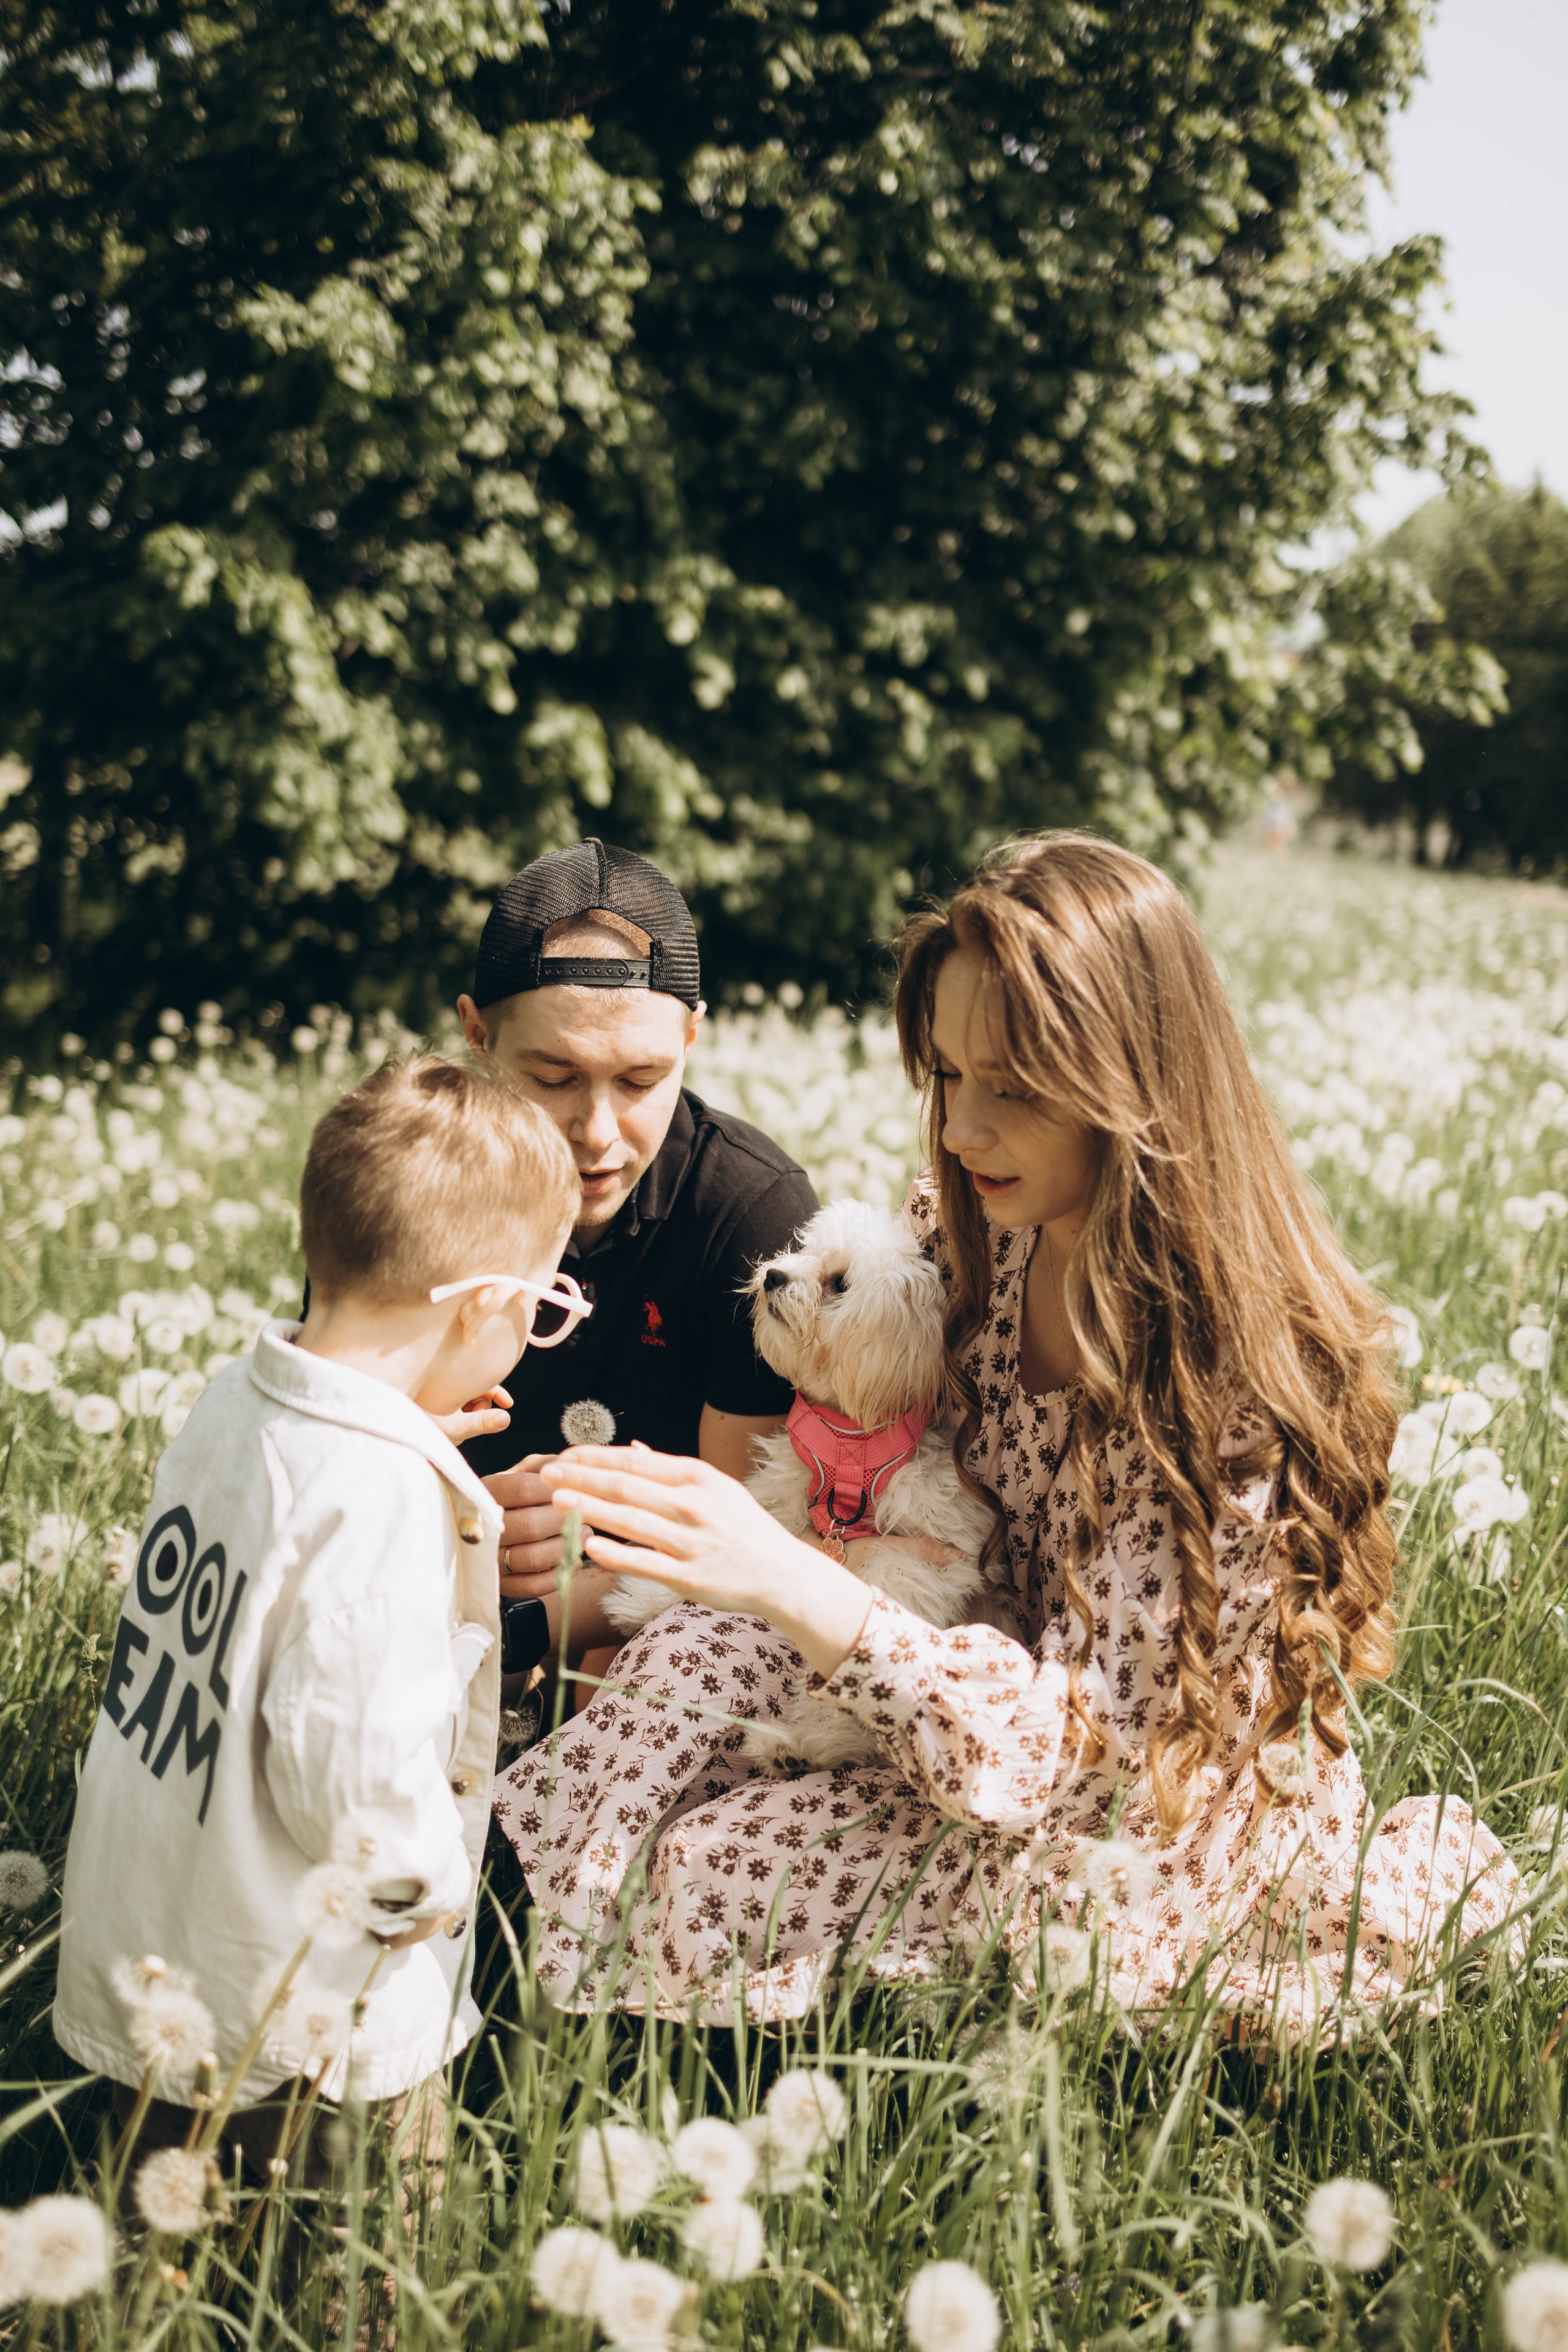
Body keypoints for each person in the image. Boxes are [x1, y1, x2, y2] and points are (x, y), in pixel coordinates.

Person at [492, 833, 1523, 2039]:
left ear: (1134, 1082)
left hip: (1130, 1801)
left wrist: (791, 1584)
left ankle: (575, 2024)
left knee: (723, 1859)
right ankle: (487, 1930)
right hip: (942, 1667)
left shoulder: (1227, 1382)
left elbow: (1095, 1745)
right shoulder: (976, 1230)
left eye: (1013, 1087)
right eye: (945, 1077)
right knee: (678, 1676)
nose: (964, 1128)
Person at [53, 1057, 579, 2173]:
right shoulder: (378, 1498)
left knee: (165, 2269)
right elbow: (358, 1790)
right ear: (487, 1303)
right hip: (314, 2020)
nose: (534, 1331)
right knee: (365, 2279)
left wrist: (419, 1428)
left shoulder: (230, 1400)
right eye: (541, 1305)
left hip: (165, 1946)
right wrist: (438, 1892)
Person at [453, 838, 818, 1692]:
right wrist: (451, 1531)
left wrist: (519, 1629)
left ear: (692, 1037)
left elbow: (742, 1542)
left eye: (641, 1080)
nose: (598, 1133)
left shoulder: (755, 1218)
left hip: (643, 1616)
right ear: (477, 1036)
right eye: (551, 1077)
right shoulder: (403, 1183)